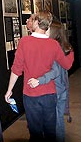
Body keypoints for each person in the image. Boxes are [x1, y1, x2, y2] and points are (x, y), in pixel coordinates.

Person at [4, 11, 74, 141]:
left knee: (35, 132)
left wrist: (9, 90)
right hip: (50, 94)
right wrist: (70, 51)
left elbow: (16, 69)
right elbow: (67, 65)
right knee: (50, 132)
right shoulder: (53, 44)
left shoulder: (24, 42)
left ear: (37, 22)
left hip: (31, 94)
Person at [27, 19, 73, 142]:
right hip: (62, 89)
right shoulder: (65, 47)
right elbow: (65, 67)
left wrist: (39, 80)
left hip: (54, 90)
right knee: (58, 122)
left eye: (47, 29)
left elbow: (55, 71)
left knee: (51, 124)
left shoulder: (52, 47)